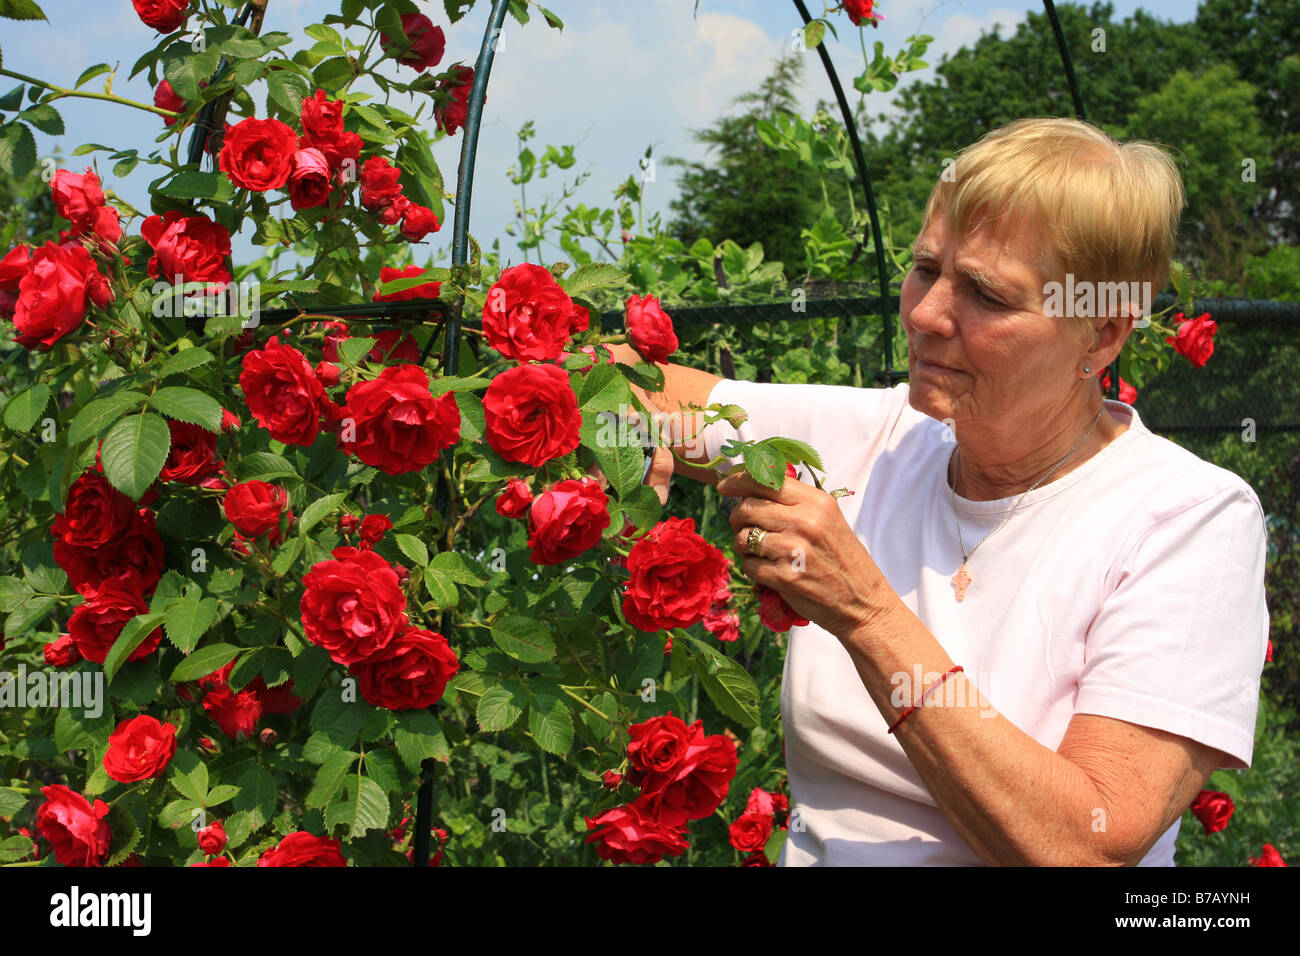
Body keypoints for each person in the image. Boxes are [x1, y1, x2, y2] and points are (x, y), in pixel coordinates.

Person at [610, 117, 1270, 866]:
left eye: (986, 295)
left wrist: (865, 614)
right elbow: (634, 394)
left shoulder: (1187, 520)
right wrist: (617, 428)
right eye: (926, 268)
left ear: (1103, 334)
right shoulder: (877, 438)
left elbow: (1089, 846)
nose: (925, 316)